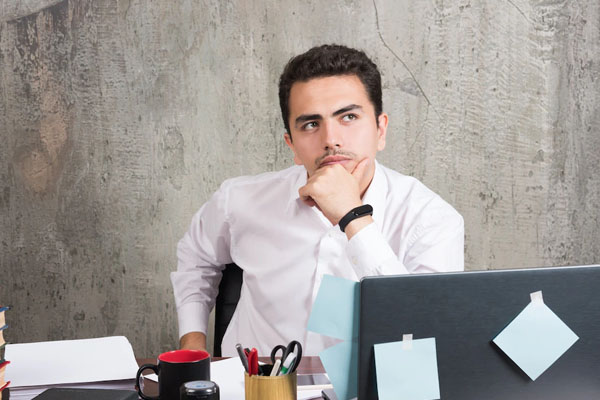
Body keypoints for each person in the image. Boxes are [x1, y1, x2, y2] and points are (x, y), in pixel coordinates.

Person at [171, 44, 464, 356]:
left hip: (367, 383)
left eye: (348, 117)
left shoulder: (430, 219)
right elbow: (195, 257)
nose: (330, 140)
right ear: (292, 144)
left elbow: (426, 332)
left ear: (380, 130)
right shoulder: (240, 201)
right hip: (254, 380)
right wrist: (192, 343)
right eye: (311, 124)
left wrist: (353, 217)